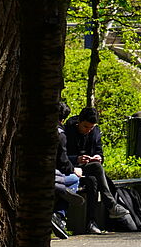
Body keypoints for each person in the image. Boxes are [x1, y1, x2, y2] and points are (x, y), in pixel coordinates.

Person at [63, 107, 129, 223]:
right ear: (79, 121)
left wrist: (99, 157)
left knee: (94, 177)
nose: (88, 130)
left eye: (91, 127)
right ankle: (111, 207)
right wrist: (76, 159)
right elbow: (61, 156)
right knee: (94, 174)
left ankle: (91, 222)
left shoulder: (95, 132)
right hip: (71, 168)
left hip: (89, 168)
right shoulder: (67, 131)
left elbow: (99, 151)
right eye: (85, 127)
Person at [53, 101, 82, 237]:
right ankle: (59, 215)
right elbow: (63, 162)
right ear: (63, 119)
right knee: (74, 179)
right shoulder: (60, 134)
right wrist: (74, 169)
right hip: (51, 177)